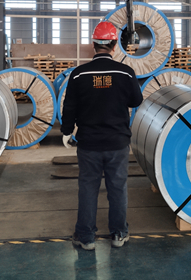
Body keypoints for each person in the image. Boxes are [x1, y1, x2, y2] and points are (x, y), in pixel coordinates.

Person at [61, 21, 143, 251]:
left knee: (88, 188)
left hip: (89, 144)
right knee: (117, 188)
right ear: (115, 45)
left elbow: (69, 107)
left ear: (93, 44)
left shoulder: (79, 74)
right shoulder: (125, 73)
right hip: (117, 143)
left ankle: (86, 237)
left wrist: (66, 131)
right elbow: (136, 101)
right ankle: (118, 233)